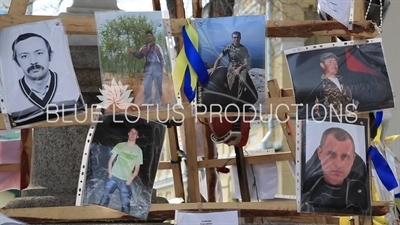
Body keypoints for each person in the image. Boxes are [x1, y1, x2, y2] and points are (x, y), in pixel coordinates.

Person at [8, 32, 84, 126]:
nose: (33, 61)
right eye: (24, 56)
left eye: (39, 53)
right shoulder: (11, 95)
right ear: (16, 62)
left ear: (50, 55)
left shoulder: (70, 88)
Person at [301, 127, 369, 214]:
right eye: (331, 155)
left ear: (353, 159)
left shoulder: (361, 194)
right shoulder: (306, 191)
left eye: (345, 157)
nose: (338, 164)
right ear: (319, 153)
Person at [99, 128, 143, 214]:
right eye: (131, 132)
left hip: (125, 180)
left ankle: (125, 221)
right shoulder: (120, 145)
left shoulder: (138, 151)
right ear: (128, 133)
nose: (132, 134)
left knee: (125, 205)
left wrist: (130, 180)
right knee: (104, 198)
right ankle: (97, 218)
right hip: (113, 177)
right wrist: (110, 173)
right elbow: (111, 160)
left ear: (137, 136)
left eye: (135, 133)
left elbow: (137, 169)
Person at [313, 52, 359, 117]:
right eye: (330, 62)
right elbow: (315, 108)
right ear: (322, 65)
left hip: (350, 120)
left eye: (335, 62)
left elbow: (356, 98)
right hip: (329, 122)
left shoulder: (346, 80)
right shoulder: (317, 84)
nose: (334, 64)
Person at [128, 30, 168, 105]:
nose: (149, 37)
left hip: (157, 67)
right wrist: (133, 52)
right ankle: (148, 102)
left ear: (152, 37)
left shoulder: (157, 47)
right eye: (147, 36)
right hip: (148, 67)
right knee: (147, 86)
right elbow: (140, 55)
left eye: (150, 36)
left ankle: (157, 102)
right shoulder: (144, 48)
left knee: (158, 85)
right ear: (146, 37)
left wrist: (163, 68)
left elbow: (161, 57)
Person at [209, 31, 250, 99]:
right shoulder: (228, 47)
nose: (236, 39)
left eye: (237, 37)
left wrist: (239, 69)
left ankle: (239, 99)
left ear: (240, 38)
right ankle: (231, 98)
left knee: (242, 80)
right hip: (231, 66)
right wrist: (214, 68)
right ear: (232, 38)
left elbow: (246, 63)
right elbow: (219, 59)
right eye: (234, 37)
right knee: (230, 82)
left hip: (241, 67)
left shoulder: (243, 49)